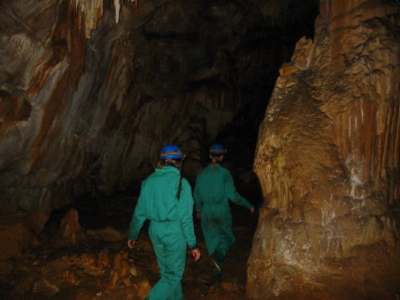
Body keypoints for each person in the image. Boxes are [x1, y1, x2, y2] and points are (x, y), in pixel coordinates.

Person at [127, 144, 201, 300]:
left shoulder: (148, 181)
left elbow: (139, 212)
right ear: (179, 161)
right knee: (173, 276)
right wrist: (193, 244)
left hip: (155, 230)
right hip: (174, 231)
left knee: (167, 272)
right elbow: (186, 218)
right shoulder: (181, 183)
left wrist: (133, 234)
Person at [194, 144, 254, 278]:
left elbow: (196, 195)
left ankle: (215, 274)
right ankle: (218, 257)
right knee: (228, 238)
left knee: (212, 242)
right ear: (222, 156)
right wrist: (248, 204)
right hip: (221, 211)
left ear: (210, 156)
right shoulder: (224, 174)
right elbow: (233, 196)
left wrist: (199, 209)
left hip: (206, 212)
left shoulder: (202, 173)